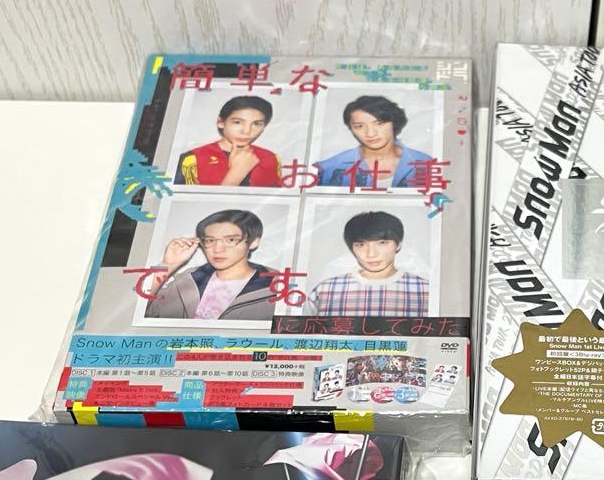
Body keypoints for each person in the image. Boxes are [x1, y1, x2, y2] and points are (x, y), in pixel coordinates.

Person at [145, 209, 278, 323]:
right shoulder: (188, 280)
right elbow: (142, 312)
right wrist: (168, 265)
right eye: (210, 240)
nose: (218, 249)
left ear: (254, 242)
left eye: (230, 240)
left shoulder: (278, 287)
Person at [304, 210, 429, 322]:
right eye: (361, 245)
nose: (371, 254)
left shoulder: (424, 290)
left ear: (398, 245)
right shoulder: (326, 290)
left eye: (382, 243)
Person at [314, 94, 432, 188]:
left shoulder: (425, 163)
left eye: (379, 123)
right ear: (351, 129)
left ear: (394, 123)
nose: (370, 134)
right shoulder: (328, 169)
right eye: (359, 126)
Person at [175, 95, 282, 187]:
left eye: (256, 124)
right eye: (237, 122)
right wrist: (236, 173)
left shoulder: (271, 159)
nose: (246, 131)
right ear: (221, 122)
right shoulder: (193, 160)